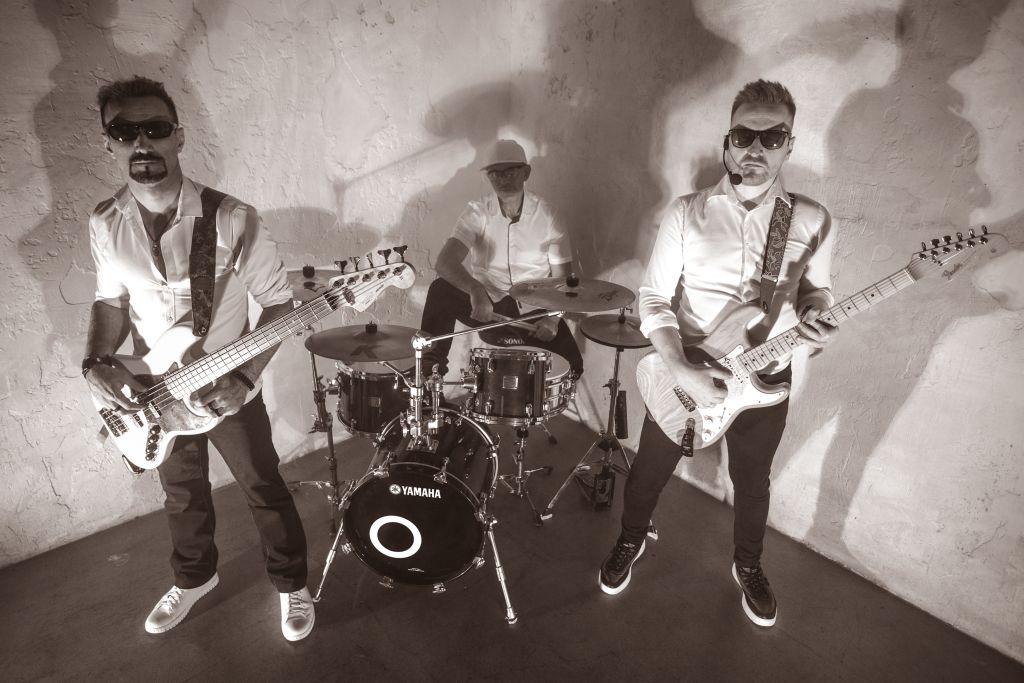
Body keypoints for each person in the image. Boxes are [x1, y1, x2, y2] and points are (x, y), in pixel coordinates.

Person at [82, 76, 314, 641]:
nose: (142, 143)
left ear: (179, 137)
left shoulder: (232, 218)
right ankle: (194, 578)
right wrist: (96, 362)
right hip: (154, 391)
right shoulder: (105, 222)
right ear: (108, 143)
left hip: (226, 385)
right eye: (124, 131)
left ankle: (291, 583)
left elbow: (281, 304)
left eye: (155, 128)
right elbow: (110, 301)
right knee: (182, 495)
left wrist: (245, 379)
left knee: (262, 485)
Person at [598, 80, 836, 627]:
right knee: (648, 474)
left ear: (790, 145)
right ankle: (631, 538)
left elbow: (817, 291)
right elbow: (653, 297)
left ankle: (748, 564)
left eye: (772, 137)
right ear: (728, 140)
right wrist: (681, 368)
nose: (756, 148)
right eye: (744, 135)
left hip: (766, 378)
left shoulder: (812, 219)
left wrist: (818, 316)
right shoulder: (689, 211)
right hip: (690, 370)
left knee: (751, 483)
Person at [419, 139, 584, 381]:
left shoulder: (549, 215)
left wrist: (552, 319)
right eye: (495, 173)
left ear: (526, 172)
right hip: (485, 305)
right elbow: (445, 262)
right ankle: (430, 378)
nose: (502, 179)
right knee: (440, 290)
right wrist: (475, 290)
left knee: (573, 367)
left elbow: (563, 281)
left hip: (532, 310)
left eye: (510, 171)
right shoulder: (477, 212)